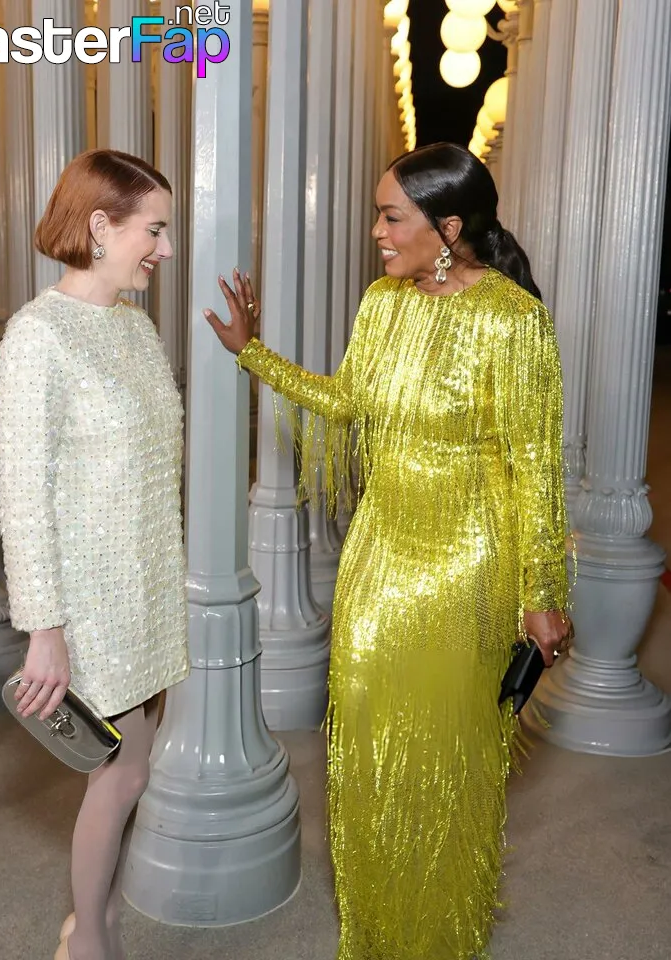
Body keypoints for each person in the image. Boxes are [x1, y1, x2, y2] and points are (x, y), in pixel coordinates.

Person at [204, 142, 572, 960]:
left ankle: (439, 936)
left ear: (447, 229)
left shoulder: (514, 321)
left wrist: (543, 592)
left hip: (465, 564)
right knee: (366, 742)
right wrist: (252, 353)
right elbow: (347, 402)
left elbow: (536, 467)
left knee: (443, 756)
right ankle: (373, 933)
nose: (376, 231)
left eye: (390, 216)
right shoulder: (382, 302)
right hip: (379, 553)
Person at [0, 149, 189, 960]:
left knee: (129, 772)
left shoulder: (136, 327)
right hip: (88, 607)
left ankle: (88, 924)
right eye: (155, 230)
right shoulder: (36, 339)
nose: (166, 249)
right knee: (119, 775)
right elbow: (23, 497)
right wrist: (45, 628)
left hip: (147, 591)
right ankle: (91, 941)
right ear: (101, 227)